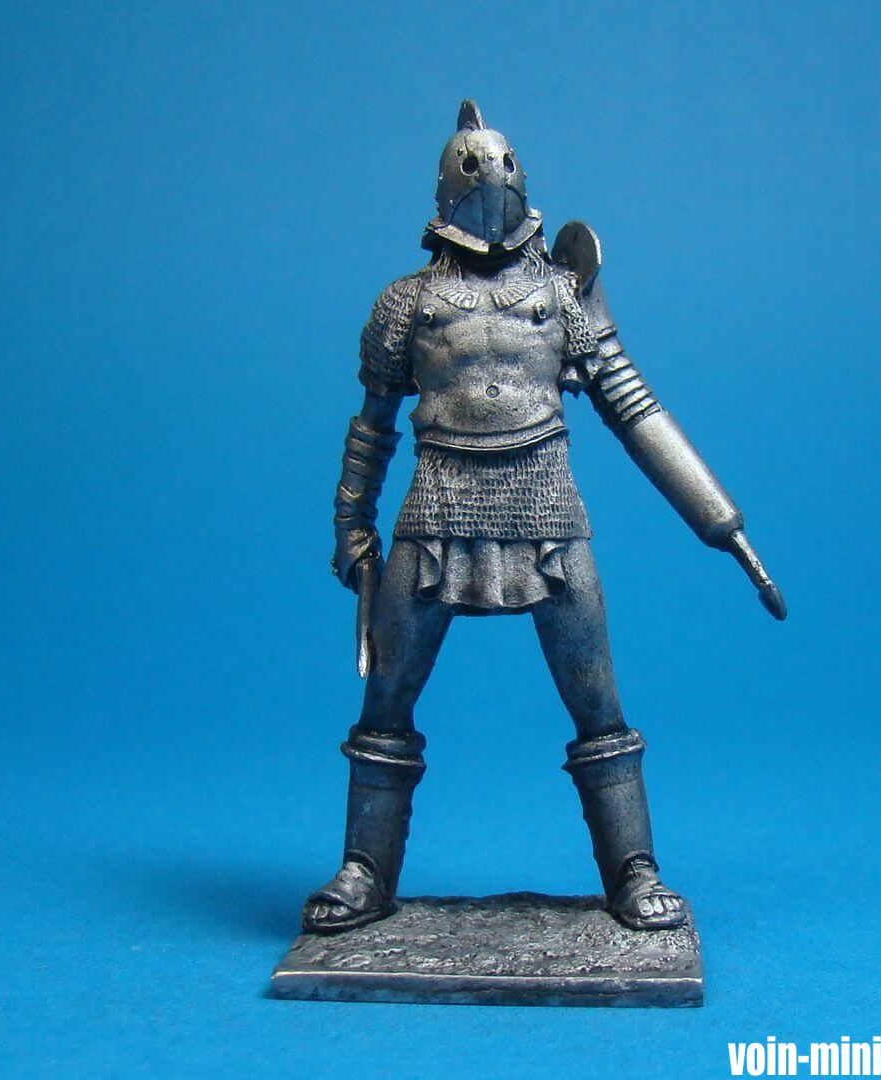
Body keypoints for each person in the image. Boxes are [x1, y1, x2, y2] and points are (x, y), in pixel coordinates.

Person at [304, 100, 785, 935]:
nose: (490, 180)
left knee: (596, 698)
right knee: (387, 697)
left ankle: (633, 868)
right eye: (475, 168)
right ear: (448, 188)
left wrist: (720, 520)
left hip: (547, 509)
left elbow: (634, 408)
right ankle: (365, 869)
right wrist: (353, 523)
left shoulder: (564, 295)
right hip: (438, 506)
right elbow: (372, 426)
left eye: (502, 165)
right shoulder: (404, 304)